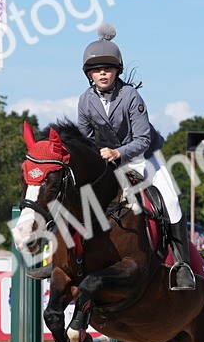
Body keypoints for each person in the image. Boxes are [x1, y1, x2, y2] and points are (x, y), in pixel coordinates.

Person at [76, 23, 194, 290]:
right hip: (110, 161)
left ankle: (182, 264)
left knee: (171, 200)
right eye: (96, 70)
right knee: (80, 197)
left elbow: (141, 140)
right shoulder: (84, 101)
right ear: (89, 75)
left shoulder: (130, 95)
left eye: (107, 68)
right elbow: (84, 140)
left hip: (143, 156)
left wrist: (118, 152)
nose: (102, 73)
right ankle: (68, 257)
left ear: (117, 70)